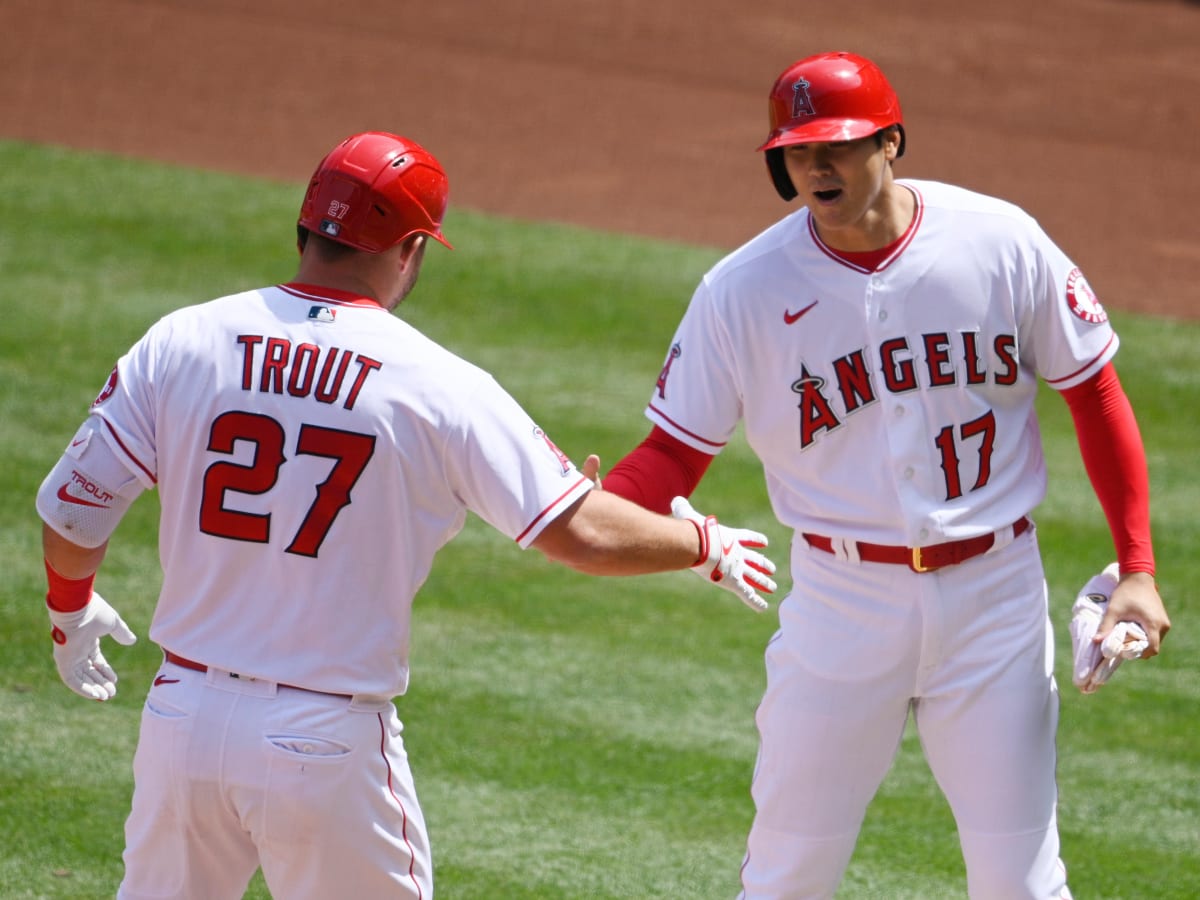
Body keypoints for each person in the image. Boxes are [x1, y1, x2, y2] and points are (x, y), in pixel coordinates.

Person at [34, 131, 778, 900]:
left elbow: (74, 506)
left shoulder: (182, 340)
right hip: (321, 741)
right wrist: (702, 542)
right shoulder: (435, 384)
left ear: (308, 226)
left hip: (181, 720)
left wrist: (70, 607)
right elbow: (582, 534)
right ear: (412, 246)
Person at [592, 52, 1171, 899]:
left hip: (994, 605)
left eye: (838, 145)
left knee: (1023, 885)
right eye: (797, 152)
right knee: (787, 879)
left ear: (891, 141)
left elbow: (1096, 390)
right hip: (839, 605)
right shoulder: (741, 291)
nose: (817, 167)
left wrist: (1139, 569)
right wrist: (584, 507)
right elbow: (673, 456)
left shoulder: (999, 240)